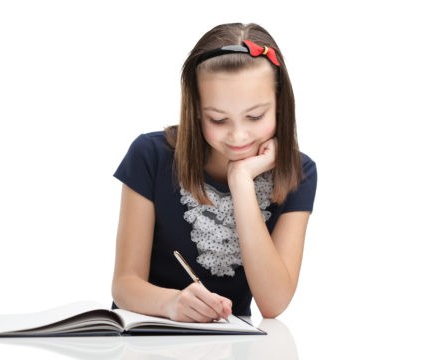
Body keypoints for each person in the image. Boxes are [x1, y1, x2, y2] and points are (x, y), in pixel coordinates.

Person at [111, 23, 317, 322]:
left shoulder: (300, 172)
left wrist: (242, 182)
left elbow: (274, 303)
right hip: (144, 339)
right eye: (218, 119)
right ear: (196, 109)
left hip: (231, 346)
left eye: (255, 116)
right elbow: (124, 285)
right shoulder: (150, 155)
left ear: (280, 106)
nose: (238, 136)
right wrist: (172, 303)